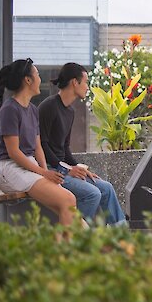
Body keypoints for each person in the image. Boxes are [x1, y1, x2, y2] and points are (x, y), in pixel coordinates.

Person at [38, 63, 127, 226]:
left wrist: (81, 169)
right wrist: (68, 169)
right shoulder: (48, 107)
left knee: (106, 188)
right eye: (85, 82)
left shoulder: (70, 111)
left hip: (62, 168)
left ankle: (121, 236)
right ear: (74, 82)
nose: (87, 87)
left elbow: (64, 148)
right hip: (50, 170)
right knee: (92, 193)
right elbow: (42, 146)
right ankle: (79, 238)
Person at [0, 58, 78, 226]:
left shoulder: (32, 109)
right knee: (68, 199)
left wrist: (46, 172)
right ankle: (65, 251)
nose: (40, 79)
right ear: (28, 80)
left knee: (70, 210)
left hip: (29, 166)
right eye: (37, 74)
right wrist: (43, 173)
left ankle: (80, 246)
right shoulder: (10, 109)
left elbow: (37, 146)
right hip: (10, 168)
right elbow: (14, 153)